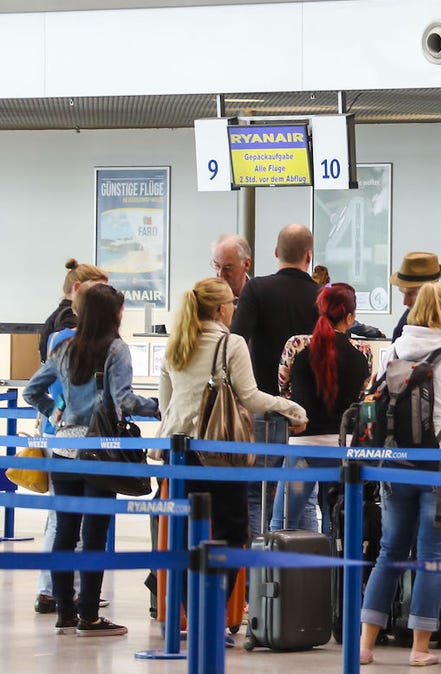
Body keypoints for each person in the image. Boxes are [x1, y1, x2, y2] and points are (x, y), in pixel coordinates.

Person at [359, 282, 441, 667]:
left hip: (396, 461)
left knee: (390, 551)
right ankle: (419, 648)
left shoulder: (397, 349)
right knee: (431, 555)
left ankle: (366, 645)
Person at [24, 284, 160, 636]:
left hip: (65, 450)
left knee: (65, 532)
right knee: (94, 534)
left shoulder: (65, 347)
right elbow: (125, 402)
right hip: (100, 450)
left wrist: (55, 413)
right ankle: (89, 615)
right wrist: (160, 406)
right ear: (112, 314)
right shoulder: (116, 349)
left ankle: (65, 612)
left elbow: (31, 390)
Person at [159, 278, 307, 597]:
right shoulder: (232, 343)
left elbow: (164, 406)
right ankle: (212, 606)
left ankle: (186, 610)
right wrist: (292, 408)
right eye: (232, 305)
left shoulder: (176, 344)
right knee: (232, 529)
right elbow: (250, 397)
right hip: (218, 451)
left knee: (184, 534)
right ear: (221, 308)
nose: (234, 310)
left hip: (177, 450)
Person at [229, 223, 320, 538]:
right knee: (302, 497)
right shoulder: (322, 296)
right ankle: (307, 577)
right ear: (309, 255)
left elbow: (236, 340)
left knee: (256, 493)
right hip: (306, 415)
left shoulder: (257, 290)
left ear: (276, 253)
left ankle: (259, 577)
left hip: (264, 407)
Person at [32, 260, 109, 615]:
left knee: (66, 522)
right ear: (80, 292)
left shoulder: (59, 329)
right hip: (80, 440)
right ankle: (59, 594)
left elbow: (40, 387)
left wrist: (54, 408)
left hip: (62, 437)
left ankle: (65, 600)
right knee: (74, 525)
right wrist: (57, 407)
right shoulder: (68, 332)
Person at [274, 282, 374, 532]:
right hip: (342, 450)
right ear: (350, 316)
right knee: (337, 524)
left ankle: (279, 571)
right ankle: (335, 573)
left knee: (283, 523)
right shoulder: (364, 352)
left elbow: (283, 391)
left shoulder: (296, 345)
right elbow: (360, 396)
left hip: (302, 448)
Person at [38, 259, 108, 363]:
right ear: (77, 287)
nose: (104, 296)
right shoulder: (69, 318)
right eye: (98, 290)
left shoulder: (58, 315)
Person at [390, 251, 441, 341]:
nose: (405, 302)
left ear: (433, 289)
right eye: (402, 293)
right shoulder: (404, 324)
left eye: (412, 294)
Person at [211, 234, 253, 300]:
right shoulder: (207, 300)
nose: (220, 274)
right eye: (217, 266)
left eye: (227, 267)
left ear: (246, 264)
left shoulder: (261, 296)